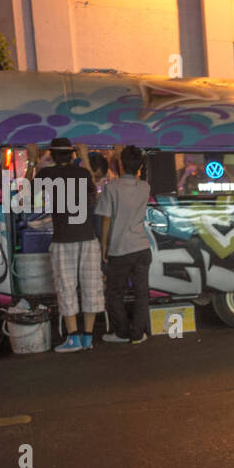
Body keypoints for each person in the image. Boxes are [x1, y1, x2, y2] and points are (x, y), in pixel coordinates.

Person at [38, 137, 100, 352]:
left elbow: (26, 194)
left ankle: (73, 337)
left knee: (66, 287)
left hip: (63, 239)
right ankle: (88, 337)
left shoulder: (46, 174)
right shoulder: (83, 173)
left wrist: (31, 160)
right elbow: (94, 189)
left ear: (52, 155)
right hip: (88, 238)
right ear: (72, 154)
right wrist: (85, 160)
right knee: (91, 286)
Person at [98, 145, 153, 345]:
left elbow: (105, 220)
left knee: (114, 292)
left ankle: (121, 333)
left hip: (120, 248)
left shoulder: (111, 187)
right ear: (139, 166)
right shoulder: (145, 187)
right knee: (141, 293)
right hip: (142, 247)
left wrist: (104, 246)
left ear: (121, 164)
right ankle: (138, 334)